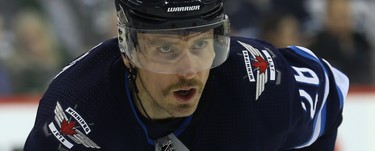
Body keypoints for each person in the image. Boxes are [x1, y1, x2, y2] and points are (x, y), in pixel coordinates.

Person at [24, 0, 349, 150]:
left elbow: (329, 92)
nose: (189, 70)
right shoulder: (75, 114)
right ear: (128, 51)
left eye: (201, 45)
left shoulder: (256, 84)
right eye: (166, 50)